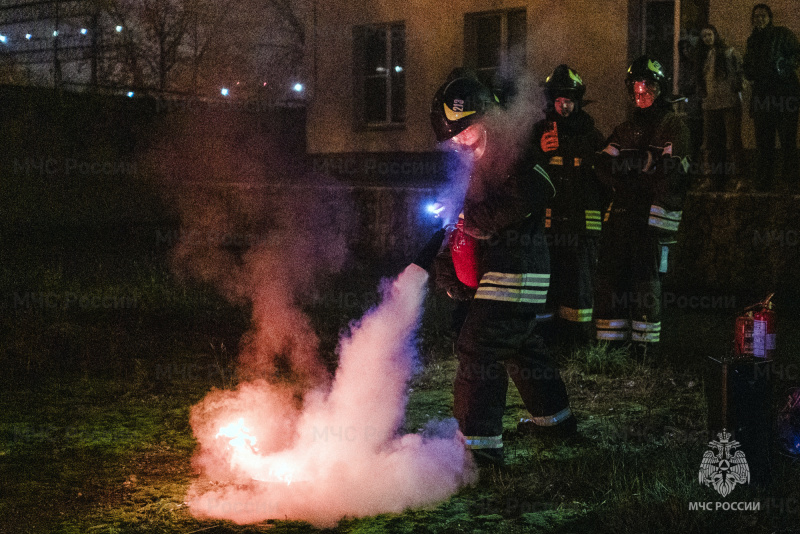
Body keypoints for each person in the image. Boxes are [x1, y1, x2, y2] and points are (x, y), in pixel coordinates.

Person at [429, 72, 576, 466]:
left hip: (519, 269)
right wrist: (449, 270)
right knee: (520, 345)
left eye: (468, 128)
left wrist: (478, 220)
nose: (461, 139)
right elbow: (460, 224)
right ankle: (555, 421)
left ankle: (479, 451)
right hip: (503, 271)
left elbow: (540, 184)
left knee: (478, 347)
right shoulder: (474, 164)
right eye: (454, 135)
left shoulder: (515, 147)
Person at [593, 56, 691, 357]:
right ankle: (611, 346)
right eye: (636, 86)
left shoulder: (673, 126)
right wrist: (639, 165)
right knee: (613, 278)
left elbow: (671, 170)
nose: (641, 91)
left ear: (659, 88)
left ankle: (645, 351)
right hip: (622, 217)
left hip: (653, 220)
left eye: (647, 85)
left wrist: (629, 168)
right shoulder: (625, 129)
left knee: (645, 284)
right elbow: (601, 164)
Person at [528, 65, 607, 347]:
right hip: (547, 227)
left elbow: (605, 178)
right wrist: (540, 151)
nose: (564, 106)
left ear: (578, 101)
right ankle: (544, 343)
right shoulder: (539, 133)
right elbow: (524, 173)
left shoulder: (592, 135)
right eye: (559, 100)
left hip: (582, 227)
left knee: (579, 287)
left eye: (570, 100)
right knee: (546, 286)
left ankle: (576, 345)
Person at [743, 3, 800, 190]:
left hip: (784, 94)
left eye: (763, 16)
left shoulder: (782, 34)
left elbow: (797, 55)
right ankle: (764, 181)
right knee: (764, 141)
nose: (759, 19)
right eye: (756, 16)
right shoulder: (752, 40)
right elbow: (749, 66)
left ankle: (790, 181)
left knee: (787, 141)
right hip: (762, 96)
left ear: (769, 17)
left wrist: (784, 66)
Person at [695, 25, 746, 192]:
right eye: (704, 36)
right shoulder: (703, 56)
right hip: (710, 104)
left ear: (715, 35)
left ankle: (739, 177)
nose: (707, 39)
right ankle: (713, 178)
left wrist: (738, 87)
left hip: (729, 102)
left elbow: (741, 73)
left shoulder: (729, 53)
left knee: (733, 141)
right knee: (710, 143)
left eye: (709, 35)